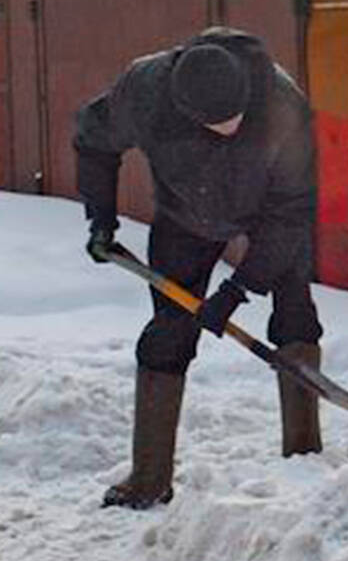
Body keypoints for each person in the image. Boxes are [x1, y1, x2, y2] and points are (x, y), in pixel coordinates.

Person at [75, 27, 324, 509]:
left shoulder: (282, 106)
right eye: (216, 123)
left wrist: (237, 289)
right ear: (185, 109)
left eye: (236, 118)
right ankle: (149, 479)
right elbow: (93, 139)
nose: (230, 128)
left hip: (269, 214)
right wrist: (101, 217)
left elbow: (292, 210)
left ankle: (304, 459)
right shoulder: (144, 91)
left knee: (295, 314)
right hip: (184, 215)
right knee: (168, 331)